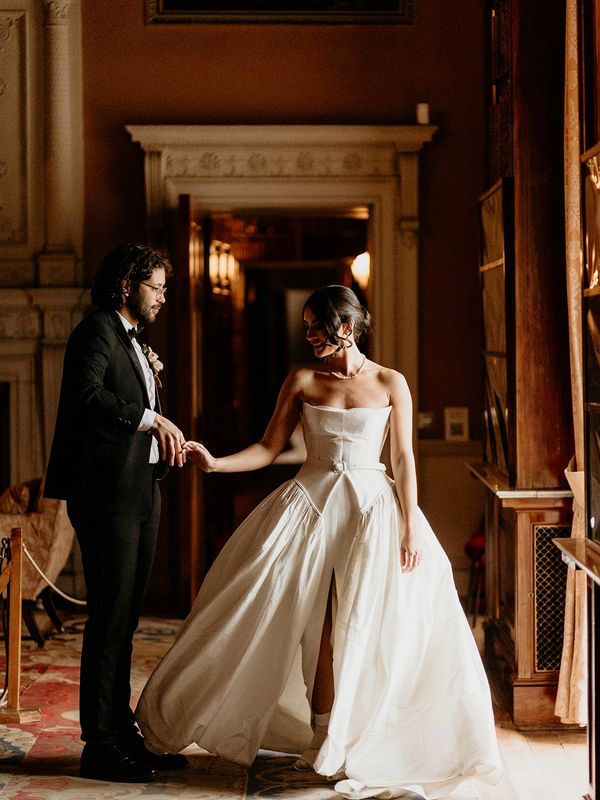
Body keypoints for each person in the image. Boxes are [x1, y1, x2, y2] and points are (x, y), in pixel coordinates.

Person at [136, 285, 502, 799]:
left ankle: (348, 739)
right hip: (308, 507)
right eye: (306, 326)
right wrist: (215, 462)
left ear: (347, 328)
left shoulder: (391, 382)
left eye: (316, 327)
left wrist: (410, 524)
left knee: (364, 624)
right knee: (278, 615)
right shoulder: (302, 379)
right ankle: (313, 732)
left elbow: (402, 460)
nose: (308, 335)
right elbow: (268, 447)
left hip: (372, 512)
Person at [45, 243, 190, 783]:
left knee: (127, 617)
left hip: (139, 490)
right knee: (109, 619)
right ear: (128, 284)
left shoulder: (135, 341)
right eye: (157, 287)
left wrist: (160, 437)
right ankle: (99, 745)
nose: (163, 298)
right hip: (106, 495)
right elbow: (84, 397)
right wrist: (150, 420)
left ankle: (122, 733)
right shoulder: (97, 331)